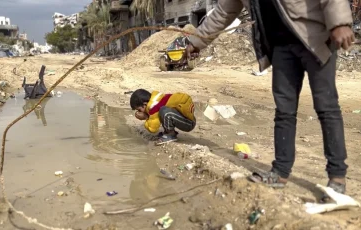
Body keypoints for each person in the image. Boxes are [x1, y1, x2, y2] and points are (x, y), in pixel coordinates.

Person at [186, 0, 355, 198]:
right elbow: (224, 11)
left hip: (314, 37)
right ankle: (280, 172)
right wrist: (196, 42)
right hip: (281, 47)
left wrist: (339, 23)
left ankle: (337, 178)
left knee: (326, 108)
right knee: (284, 111)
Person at [130, 89, 196, 145]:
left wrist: (146, 117)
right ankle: (167, 132)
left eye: (139, 110)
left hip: (188, 123)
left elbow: (153, 129)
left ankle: (171, 135)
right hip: (185, 118)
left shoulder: (153, 106)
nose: (140, 112)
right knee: (161, 112)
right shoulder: (156, 98)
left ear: (145, 104)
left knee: (163, 111)